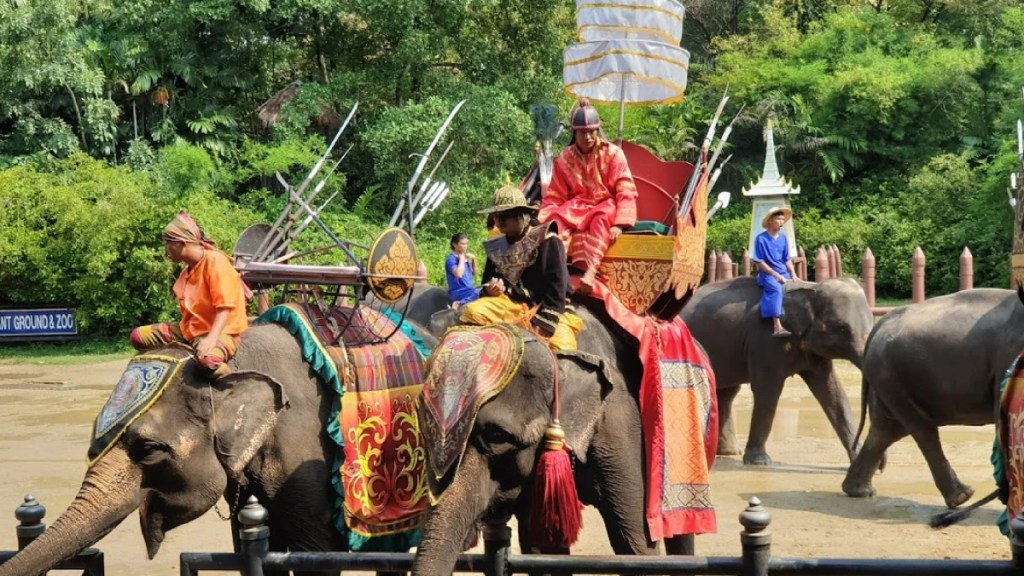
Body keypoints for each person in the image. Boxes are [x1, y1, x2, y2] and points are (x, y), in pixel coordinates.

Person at [459, 182, 582, 350]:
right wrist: (490, 290)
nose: (499, 221)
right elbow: (487, 282)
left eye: (506, 215)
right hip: (510, 305)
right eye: (496, 216)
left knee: (563, 347)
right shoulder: (495, 247)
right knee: (472, 312)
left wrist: (545, 324)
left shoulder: (547, 239)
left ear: (522, 215)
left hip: (545, 308)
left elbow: (557, 287)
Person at [130, 211, 250, 376]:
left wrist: (211, 339)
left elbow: (225, 308)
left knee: (209, 363)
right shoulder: (187, 271)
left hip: (221, 331)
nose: (166, 249)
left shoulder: (215, 262)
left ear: (181, 243)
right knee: (137, 336)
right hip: (188, 331)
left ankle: (230, 381)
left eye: (167, 243)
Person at [539, 98, 638, 294]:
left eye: (592, 131)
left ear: (597, 131)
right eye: (583, 132)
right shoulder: (564, 158)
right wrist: (542, 218)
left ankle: (591, 272)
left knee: (601, 218)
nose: (588, 137)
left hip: (605, 204)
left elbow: (625, 187)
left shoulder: (613, 154)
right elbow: (556, 195)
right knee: (555, 221)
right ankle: (557, 274)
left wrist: (620, 223)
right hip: (576, 207)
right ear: (574, 132)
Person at [752, 206, 797, 337]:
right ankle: (777, 325)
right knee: (776, 289)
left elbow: (787, 259)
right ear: (771, 220)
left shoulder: (783, 238)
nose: (782, 222)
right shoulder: (760, 239)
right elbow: (760, 262)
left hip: (783, 272)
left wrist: (794, 275)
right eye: (778, 219)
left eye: (783, 219)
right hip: (768, 275)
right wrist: (776, 276)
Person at [445, 233, 479, 309]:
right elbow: (459, 274)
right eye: (462, 244)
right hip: (459, 292)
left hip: (469, 290)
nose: (465, 246)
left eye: (466, 243)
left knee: (487, 288)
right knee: (482, 291)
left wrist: (474, 260)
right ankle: (459, 303)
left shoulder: (465, 257)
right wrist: (462, 259)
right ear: (454, 244)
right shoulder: (451, 259)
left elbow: (475, 273)